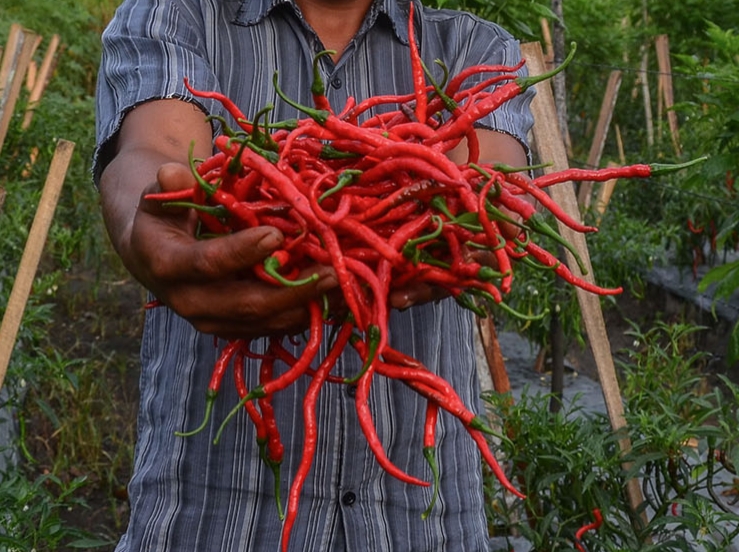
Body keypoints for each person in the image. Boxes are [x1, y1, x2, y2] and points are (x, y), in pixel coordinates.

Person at [94, 0, 535, 549]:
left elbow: (489, 185)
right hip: (212, 518)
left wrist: (485, 218)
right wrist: (152, 214)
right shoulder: (175, 15)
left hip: (422, 522)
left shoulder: (476, 49)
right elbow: (153, 153)